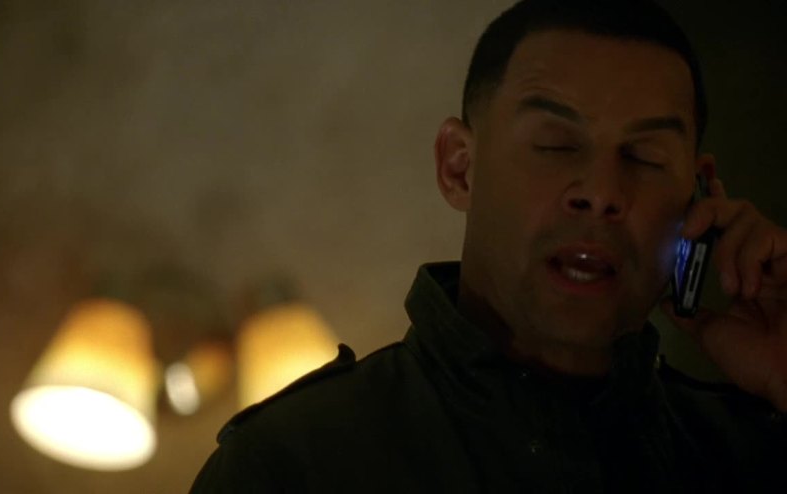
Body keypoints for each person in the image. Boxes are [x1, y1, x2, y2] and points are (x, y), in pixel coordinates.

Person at [191, 0, 787, 492]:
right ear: (459, 168)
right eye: (556, 145)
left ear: (698, 193)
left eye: (645, 156)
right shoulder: (293, 465)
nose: (603, 193)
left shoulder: (748, 453)